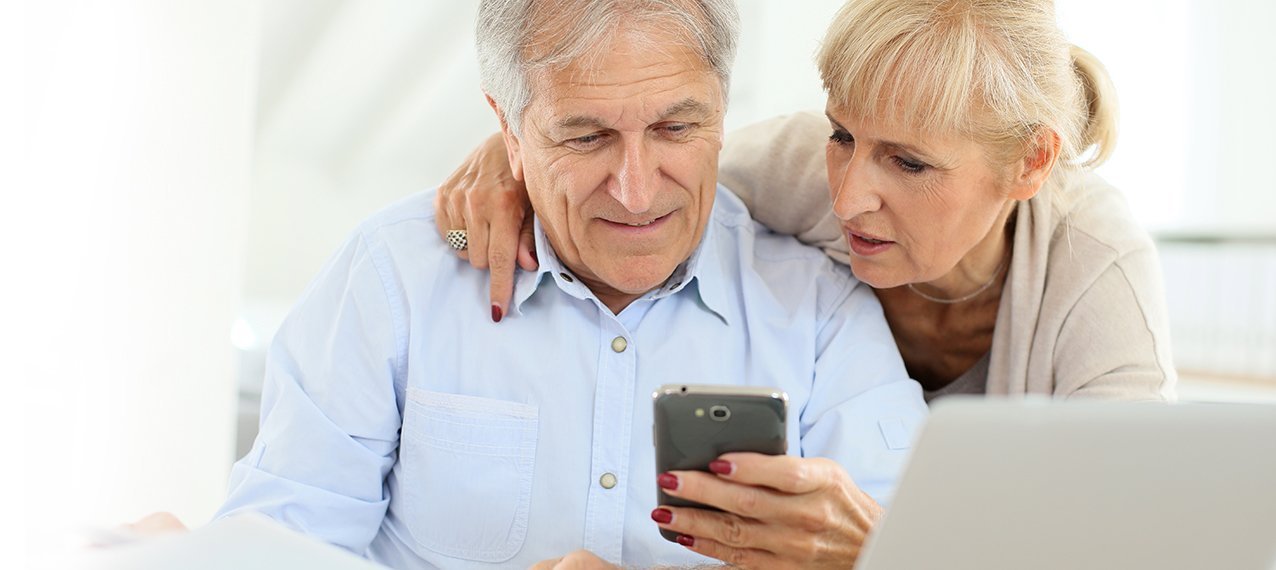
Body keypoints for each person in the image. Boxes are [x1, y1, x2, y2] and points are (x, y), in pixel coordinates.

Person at [212, 0, 927, 568]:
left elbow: (913, 553)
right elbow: (278, 542)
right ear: (507, 131)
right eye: (585, 139)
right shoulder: (393, 280)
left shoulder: (822, 313)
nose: (637, 189)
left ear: (722, 108)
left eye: (678, 127)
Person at [438, 0, 1177, 403]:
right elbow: (638, 160)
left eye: (909, 163)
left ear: (1031, 162)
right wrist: (508, 156)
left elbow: (1128, 529)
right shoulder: (794, 169)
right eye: (844, 135)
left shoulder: (1096, 269)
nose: (850, 197)